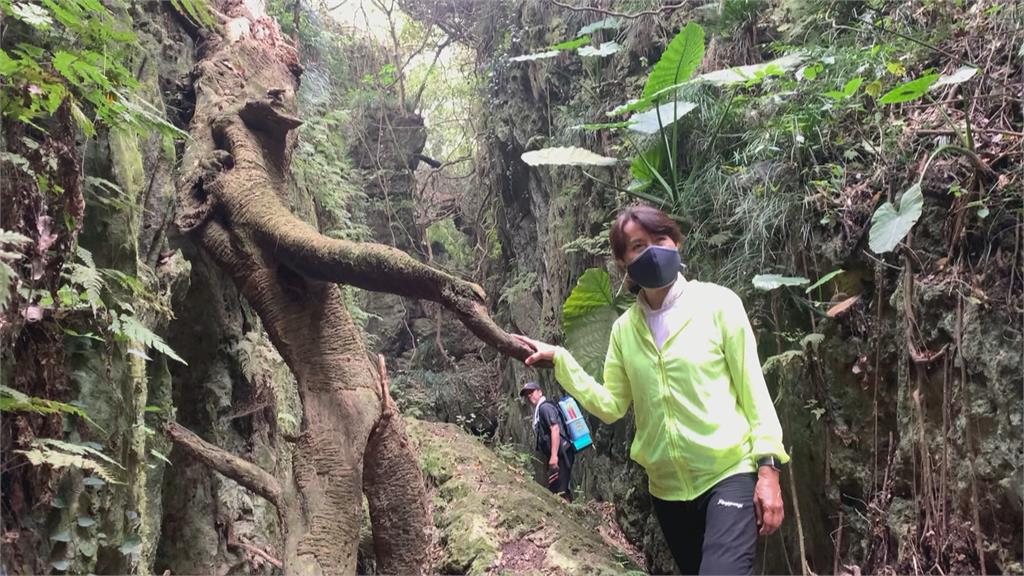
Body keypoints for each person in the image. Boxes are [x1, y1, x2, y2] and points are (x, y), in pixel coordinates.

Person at [513, 204, 788, 575]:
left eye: (660, 239)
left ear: (676, 243)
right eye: (638, 246)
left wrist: (768, 471)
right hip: (668, 493)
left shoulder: (718, 305)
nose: (653, 251)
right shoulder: (625, 331)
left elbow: (754, 392)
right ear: (624, 262)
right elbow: (611, 405)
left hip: (729, 473)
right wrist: (562, 360)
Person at [519, 381, 575, 502]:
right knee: (557, 487)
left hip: (562, 454)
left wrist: (554, 456)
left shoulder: (544, 408)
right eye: (527, 395)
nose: (529, 396)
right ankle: (570, 511)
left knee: (559, 490)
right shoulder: (539, 411)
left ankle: (567, 516)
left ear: (540, 392)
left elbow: (555, 429)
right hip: (559, 454)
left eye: (531, 392)